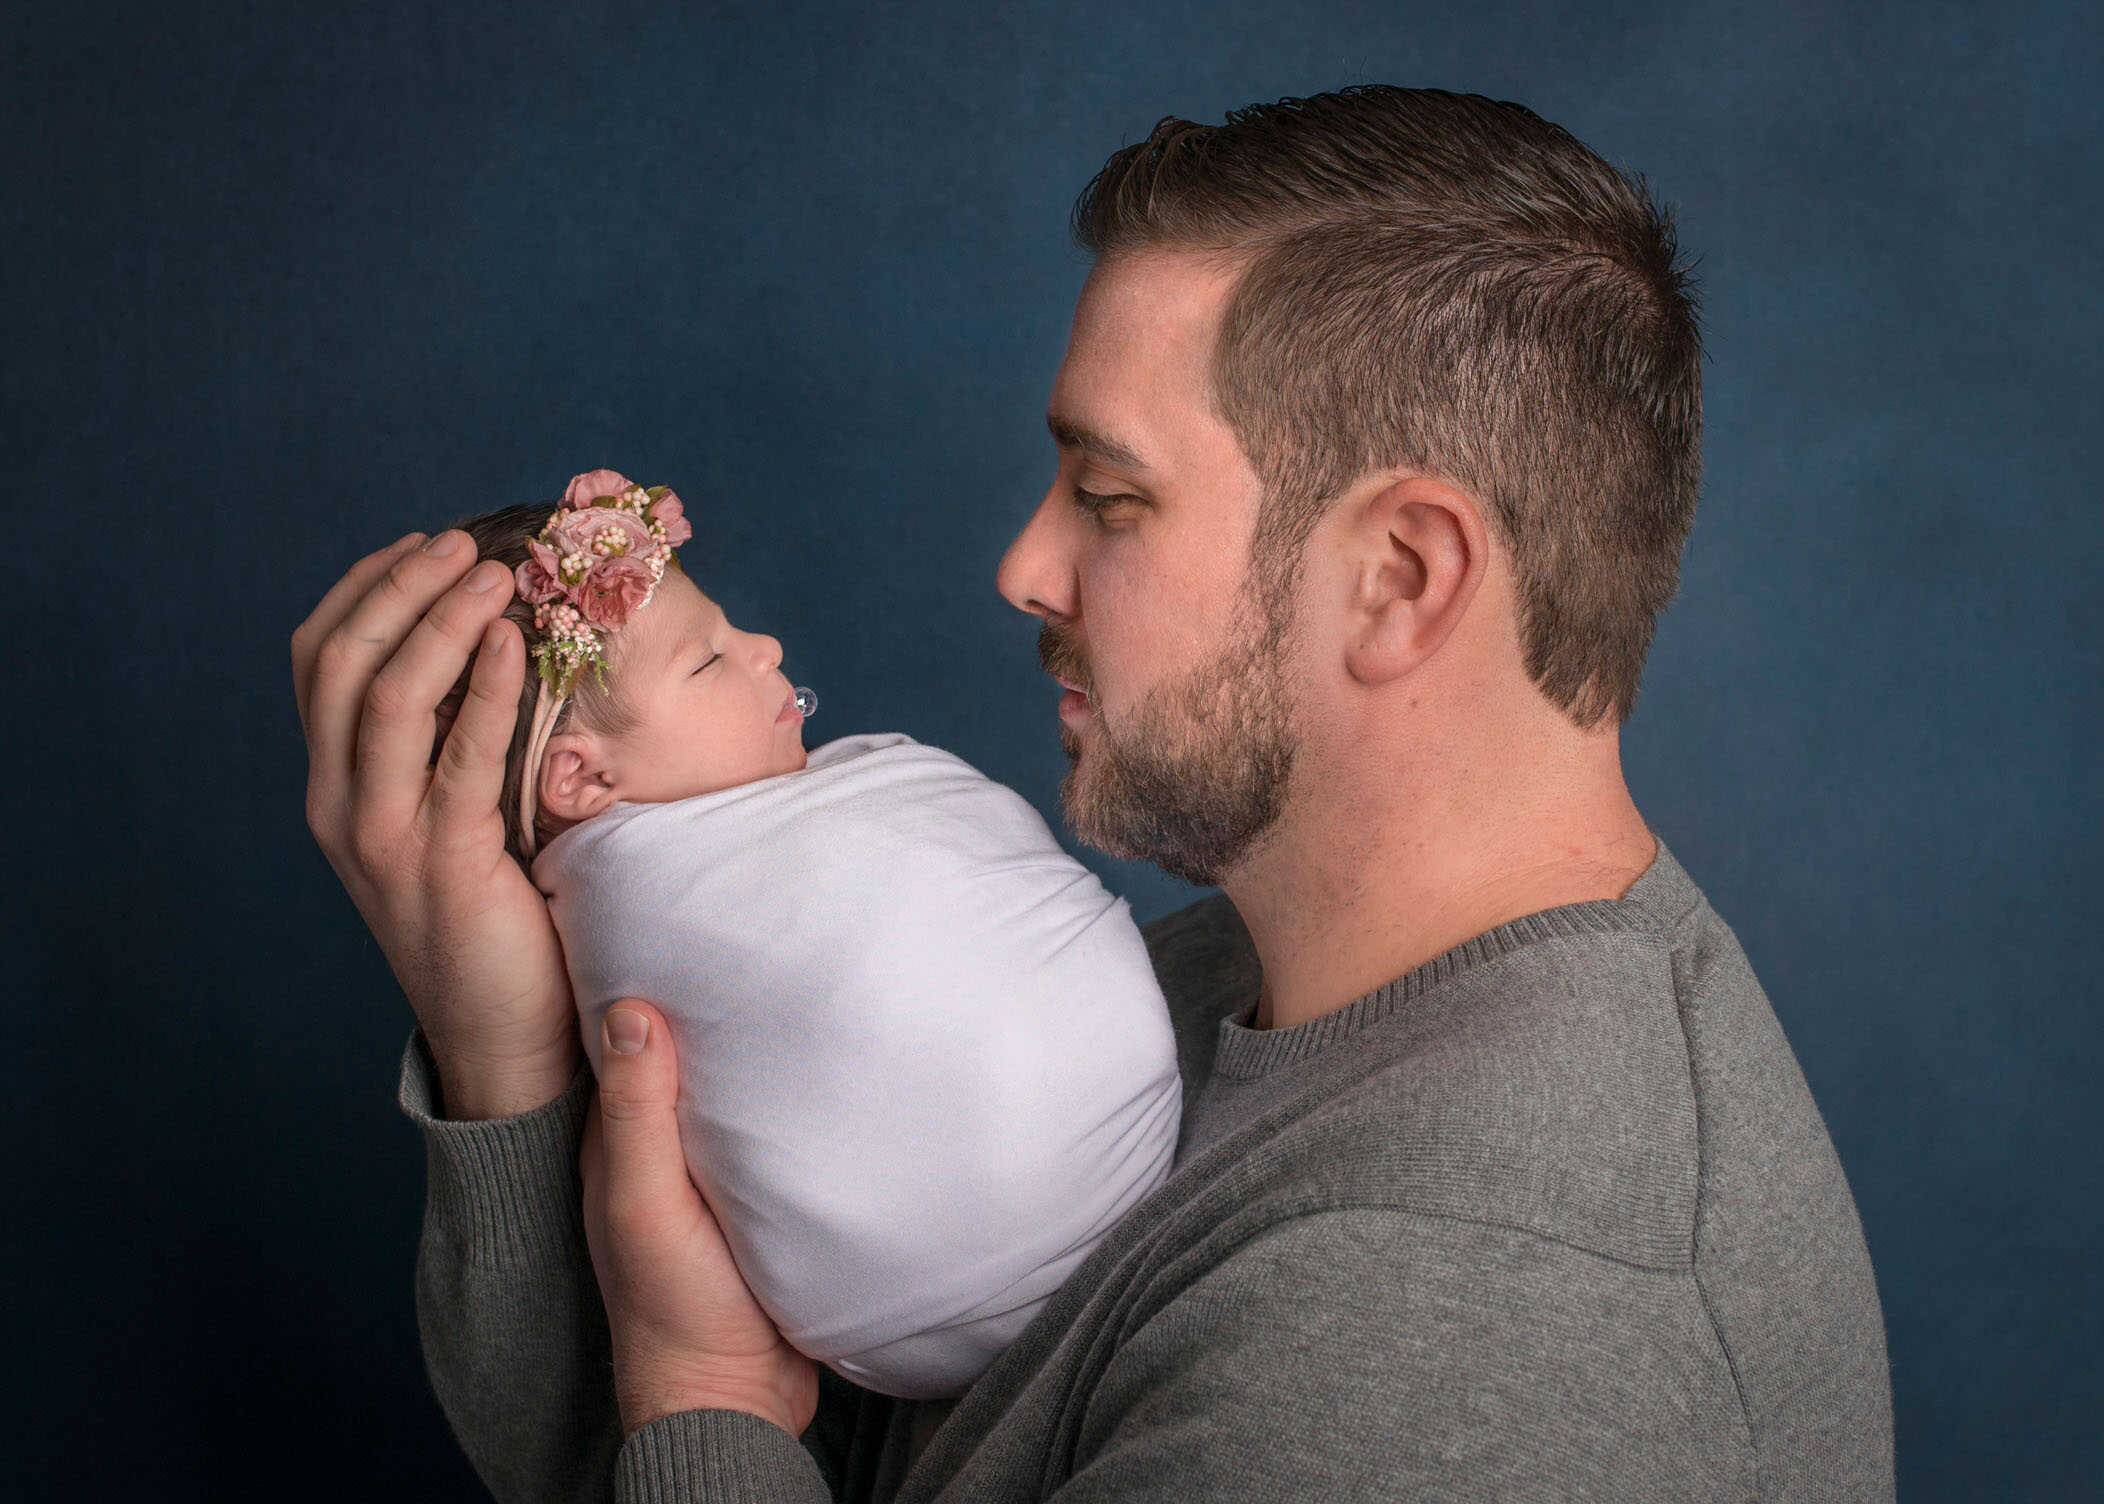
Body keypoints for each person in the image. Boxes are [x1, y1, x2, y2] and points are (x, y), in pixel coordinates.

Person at [292, 86, 1896, 1500]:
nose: (1022, 565)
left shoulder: (1453, 1338)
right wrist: (516, 1065)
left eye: (1111, 498)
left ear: (1400, 579)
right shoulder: (1230, 985)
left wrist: (703, 1398)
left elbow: (716, 1418)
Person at [419, 476, 1180, 1401]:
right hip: (958, 1265)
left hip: (901, 1327)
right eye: (707, 662)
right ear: (580, 779)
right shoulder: (629, 914)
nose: (766, 649)